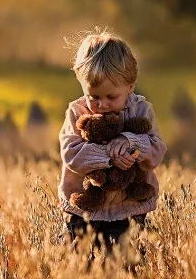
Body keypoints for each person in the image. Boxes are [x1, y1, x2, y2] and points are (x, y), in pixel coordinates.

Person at [58, 29, 167, 253]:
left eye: (111, 97)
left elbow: (156, 148)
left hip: (129, 209)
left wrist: (131, 144)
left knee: (127, 265)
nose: (102, 104)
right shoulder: (77, 113)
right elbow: (71, 154)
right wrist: (110, 154)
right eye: (94, 96)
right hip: (83, 211)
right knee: (79, 264)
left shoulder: (141, 109)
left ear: (130, 86)